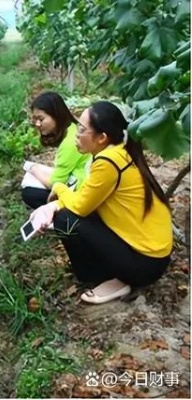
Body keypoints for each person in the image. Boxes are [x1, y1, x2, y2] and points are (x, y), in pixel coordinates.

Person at [29, 101, 172, 304]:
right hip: (152, 256)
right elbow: (86, 196)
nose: (76, 134)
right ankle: (107, 272)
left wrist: (59, 190)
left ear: (102, 138)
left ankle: (101, 278)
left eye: (82, 129)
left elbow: (79, 206)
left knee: (65, 220)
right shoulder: (118, 152)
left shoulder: (107, 162)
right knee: (65, 213)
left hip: (144, 265)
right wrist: (53, 204)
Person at [22, 92, 91, 209]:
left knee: (29, 194)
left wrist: (34, 169)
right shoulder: (72, 129)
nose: (37, 124)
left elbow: (55, 183)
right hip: (79, 180)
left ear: (56, 116)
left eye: (41, 119)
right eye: (35, 120)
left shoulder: (70, 143)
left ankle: (64, 219)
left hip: (81, 190)